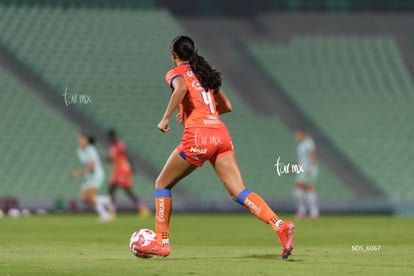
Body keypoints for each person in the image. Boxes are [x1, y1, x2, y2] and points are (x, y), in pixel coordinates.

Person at [134, 35, 295, 259]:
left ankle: (162, 243)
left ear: (174, 56)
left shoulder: (175, 73)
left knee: (162, 183)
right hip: (220, 134)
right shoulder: (205, 73)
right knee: (239, 192)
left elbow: (180, 89)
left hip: (198, 137)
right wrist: (200, 113)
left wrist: (166, 118)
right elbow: (227, 106)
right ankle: (280, 225)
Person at [107, 129, 150, 217]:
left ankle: (142, 208)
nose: (110, 139)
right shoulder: (112, 148)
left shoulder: (119, 145)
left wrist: (132, 166)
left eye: (111, 137)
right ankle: (112, 210)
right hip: (116, 171)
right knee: (111, 189)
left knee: (127, 190)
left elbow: (127, 155)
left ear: (114, 136)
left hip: (123, 170)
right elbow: (112, 159)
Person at [72, 133, 115, 222]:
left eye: (81, 140)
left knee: (91, 196)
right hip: (89, 176)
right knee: (84, 198)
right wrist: (84, 172)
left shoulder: (91, 150)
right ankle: (106, 200)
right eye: (78, 140)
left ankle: (105, 215)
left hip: (97, 175)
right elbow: (86, 165)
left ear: (86, 141)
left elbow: (92, 166)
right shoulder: (79, 151)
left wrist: (80, 172)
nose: (79, 142)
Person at [293, 129, 319, 219]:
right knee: (299, 190)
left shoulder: (309, 142)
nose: (296, 137)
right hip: (302, 169)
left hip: (308, 169)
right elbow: (301, 159)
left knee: (309, 189)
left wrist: (310, 167)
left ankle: (313, 211)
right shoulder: (301, 144)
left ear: (303, 134)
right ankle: (303, 210)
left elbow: (312, 154)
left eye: (298, 135)